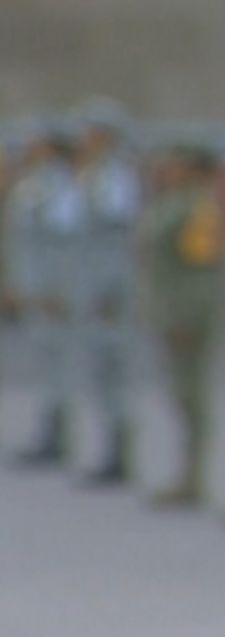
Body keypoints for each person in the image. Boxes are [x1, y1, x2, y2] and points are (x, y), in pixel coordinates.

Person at [141, 144, 224, 508]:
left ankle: (193, 476)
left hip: (187, 316)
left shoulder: (197, 209)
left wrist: (187, 316)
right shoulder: (170, 203)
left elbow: (199, 269)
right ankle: (185, 473)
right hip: (169, 313)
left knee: (192, 396)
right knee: (181, 396)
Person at [71, 98, 142, 485]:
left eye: (92, 133)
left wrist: (111, 290)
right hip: (95, 286)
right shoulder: (95, 174)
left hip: (109, 290)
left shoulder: (115, 177)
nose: (85, 140)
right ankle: (110, 447)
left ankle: (119, 453)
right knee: (100, 369)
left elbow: (117, 236)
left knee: (113, 369)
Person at [8, 119, 84, 468]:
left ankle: (58, 435)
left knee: (57, 363)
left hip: (52, 290)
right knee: (44, 362)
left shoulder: (62, 185)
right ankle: (49, 431)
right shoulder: (34, 183)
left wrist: (59, 288)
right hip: (35, 286)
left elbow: (66, 242)